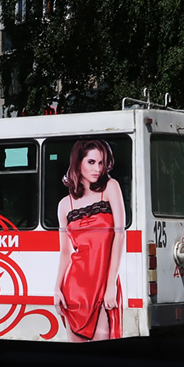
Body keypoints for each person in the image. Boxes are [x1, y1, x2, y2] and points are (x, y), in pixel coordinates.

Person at [55, 139, 124, 341]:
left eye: (101, 163)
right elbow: (66, 252)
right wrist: (57, 288)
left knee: (103, 349)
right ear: (78, 164)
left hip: (103, 282)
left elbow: (120, 235)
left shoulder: (110, 187)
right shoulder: (64, 205)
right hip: (75, 287)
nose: (98, 169)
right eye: (91, 162)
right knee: (76, 358)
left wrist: (111, 284)